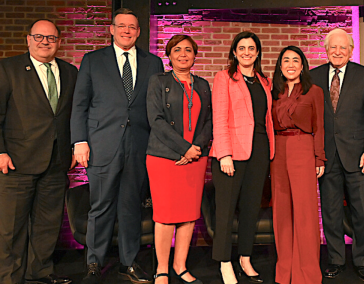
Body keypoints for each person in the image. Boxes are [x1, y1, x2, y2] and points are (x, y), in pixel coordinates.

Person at [0, 19, 77, 284]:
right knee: (10, 229)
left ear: (59, 41)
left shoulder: (70, 72)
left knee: (48, 225)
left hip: (56, 163)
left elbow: (74, 115)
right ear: (28, 39)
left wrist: (73, 148)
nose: (45, 42)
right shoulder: (6, 69)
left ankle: (41, 272)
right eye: (39, 37)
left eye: (51, 38)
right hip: (15, 163)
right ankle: (10, 279)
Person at [70, 8, 164, 284]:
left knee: (131, 206)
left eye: (132, 27)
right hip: (102, 144)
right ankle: (93, 263)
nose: (127, 31)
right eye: (121, 26)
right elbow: (80, 104)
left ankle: (129, 262)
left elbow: (155, 107)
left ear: (138, 31)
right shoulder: (92, 60)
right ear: (111, 29)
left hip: (139, 145)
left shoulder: (153, 63)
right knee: (100, 206)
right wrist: (79, 141)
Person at [310, 28, 364, 282]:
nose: (337, 52)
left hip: (359, 155)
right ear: (326, 50)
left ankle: (362, 261)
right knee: (330, 212)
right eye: (333, 48)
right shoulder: (313, 76)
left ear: (351, 51)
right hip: (327, 157)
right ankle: (336, 259)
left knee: (362, 212)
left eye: (343, 48)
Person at [209, 31, 275, 284]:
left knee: (251, 208)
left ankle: (245, 258)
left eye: (251, 48)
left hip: (259, 150)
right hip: (231, 153)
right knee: (225, 211)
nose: (247, 52)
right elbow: (219, 117)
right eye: (242, 48)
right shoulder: (224, 78)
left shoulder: (263, 81)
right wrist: (224, 154)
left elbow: (266, 119)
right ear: (234, 53)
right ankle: (225, 262)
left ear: (257, 53)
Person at [146, 34, 212, 284]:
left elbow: (209, 121)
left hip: (195, 159)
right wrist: (184, 148)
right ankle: (162, 269)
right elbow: (156, 120)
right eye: (177, 50)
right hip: (165, 158)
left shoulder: (203, 84)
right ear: (169, 55)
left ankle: (180, 266)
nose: (183, 54)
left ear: (195, 55)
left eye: (188, 50)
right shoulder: (157, 81)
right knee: (164, 214)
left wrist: (196, 148)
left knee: (188, 214)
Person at [270, 46, 325, 284]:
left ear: (302, 66)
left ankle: (307, 273)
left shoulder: (314, 92)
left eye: (295, 60)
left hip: (303, 148)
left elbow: (320, 126)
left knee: (305, 213)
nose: (291, 64)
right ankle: (285, 272)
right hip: (278, 151)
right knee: (281, 212)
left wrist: (319, 157)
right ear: (280, 66)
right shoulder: (273, 92)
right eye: (286, 60)